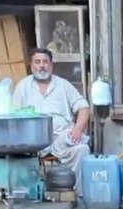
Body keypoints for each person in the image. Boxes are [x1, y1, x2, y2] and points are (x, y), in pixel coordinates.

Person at [10, 48, 90, 194]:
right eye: (37, 62)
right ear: (31, 65)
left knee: (82, 149)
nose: (42, 65)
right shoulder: (23, 86)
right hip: (33, 139)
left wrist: (78, 129)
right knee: (14, 153)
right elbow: (13, 115)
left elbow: (84, 107)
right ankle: (29, 192)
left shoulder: (63, 85)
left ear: (51, 66)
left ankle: (77, 195)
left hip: (61, 137)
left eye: (45, 62)